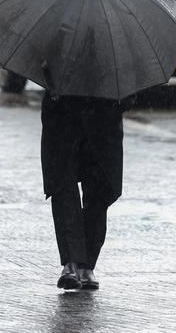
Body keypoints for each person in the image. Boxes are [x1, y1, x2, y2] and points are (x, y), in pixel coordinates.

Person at [41, 90, 129, 291]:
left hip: (103, 115)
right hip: (62, 111)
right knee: (63, 184)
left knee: (99, 189)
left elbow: (130, 80)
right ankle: (71, 262)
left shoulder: (114, 59)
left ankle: (87, 264)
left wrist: (123, 98)